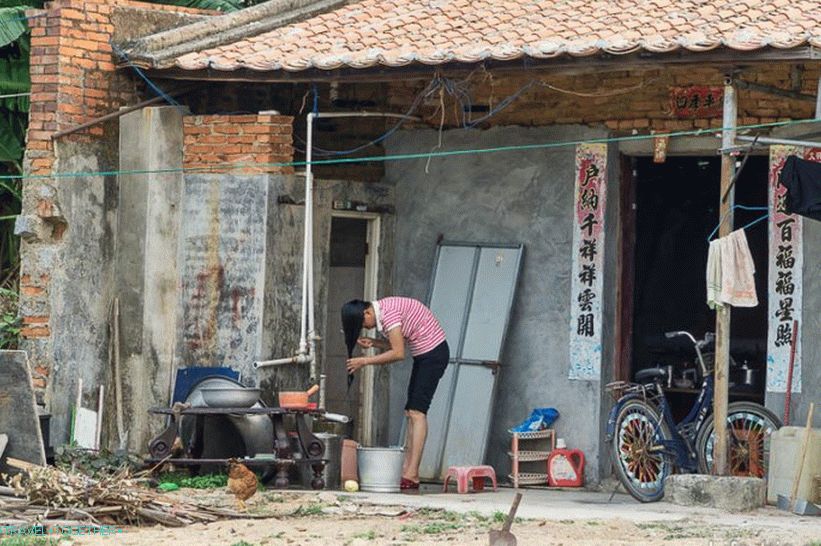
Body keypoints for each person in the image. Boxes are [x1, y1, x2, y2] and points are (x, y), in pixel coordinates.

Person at [341, 297, 449, 490]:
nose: (365, 327)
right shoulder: (383, 311)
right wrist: (374, 343)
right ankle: (408, 470)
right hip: (424, 355)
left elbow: (399, 353)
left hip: (433, 355)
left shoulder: (389, 314)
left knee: (418, 412)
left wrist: (364, 361)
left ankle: (412, 474)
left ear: (367, 312)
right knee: (411, 412)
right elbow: (398, 342)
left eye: (363, 324)